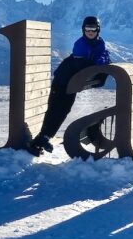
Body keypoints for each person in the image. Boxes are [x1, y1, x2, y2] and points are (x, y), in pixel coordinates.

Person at [28, 16, 110, 155]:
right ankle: (42, 138)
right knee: (56, 110)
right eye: (87, 29)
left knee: (64, 110)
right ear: (83, 30)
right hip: (62, 82)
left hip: (71, 84)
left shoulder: (99, 43)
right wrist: (98, 62)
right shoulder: (81, 44)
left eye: (93, 29)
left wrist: (102, 59)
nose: (90, 32)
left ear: (98, 30)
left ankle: (43, 138)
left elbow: (104, 55)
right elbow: (82, 65)